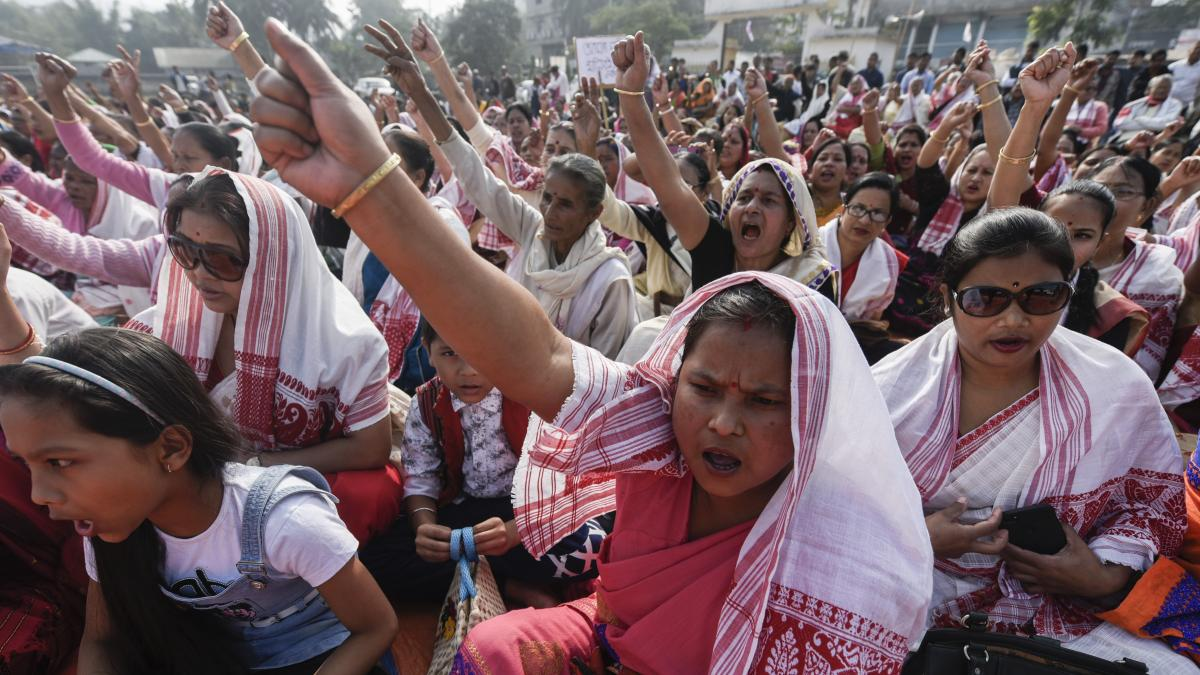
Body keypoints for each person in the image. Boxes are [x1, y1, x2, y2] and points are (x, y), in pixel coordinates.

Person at [249, 24, 934, 672]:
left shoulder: (840, 552)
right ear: (673, 378)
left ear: (811, 414)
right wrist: (368, 183)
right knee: (494, 650)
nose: (723, 423)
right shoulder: (657, 429)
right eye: (705, 389)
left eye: (763, 401)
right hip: (609, 636)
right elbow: (540, 355)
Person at [873, 208, 1188, 670]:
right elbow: (830, 517)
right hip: (909, 587)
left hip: (1062, 602)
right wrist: (916, 541)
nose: (1014, 320)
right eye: (986, 299)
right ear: (948, 298)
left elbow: (1152, 502)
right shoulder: (889, 391)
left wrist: (1097, 575)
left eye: (1042, 297)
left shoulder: (1115, 384)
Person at [0, 328, 399, 674]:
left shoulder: (285, 520)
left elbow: (375, 627)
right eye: (27, 464)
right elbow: (102, 641)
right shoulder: (109, 525)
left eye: (61, 462)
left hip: (318, 656)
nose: (38, 494)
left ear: (170, 448)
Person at [126, 169, 401, 545]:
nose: (200, 274)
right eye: (186, 251)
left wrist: (256, 469)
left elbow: (371, 448)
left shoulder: (345, 342)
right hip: (197, 481)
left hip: (292, 486)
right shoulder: (164, 329)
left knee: (369, 492)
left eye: (221, 260)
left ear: (273, 258)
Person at [371, 21, 637, 358]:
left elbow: (608, 378)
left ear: (595, 212)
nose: (551, 212)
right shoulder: (533, 230)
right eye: (548, 198)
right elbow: (472, 172)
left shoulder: (609, 280)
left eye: (566, 204)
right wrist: (419, 90)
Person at [359, 318, 611, 602]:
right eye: (449, 353)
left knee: (590, 547)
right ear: (427, 350)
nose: (469, 371)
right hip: (468, 512)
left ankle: (483, 571)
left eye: (482, 353)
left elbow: (565, 487)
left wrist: (512, 534)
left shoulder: (532, 395)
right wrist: (426, 529)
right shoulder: (426, 404)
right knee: (374, 562)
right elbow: (421, 481)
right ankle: (508, 582)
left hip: (531, 513)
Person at [608, 34, 835, 297]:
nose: (751, 207)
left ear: (790, 223)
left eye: (769, 200)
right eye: (744, 197)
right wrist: (631, 94)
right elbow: (667, 180)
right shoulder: (715, 247)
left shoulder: (810, 280)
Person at [0, 144, 158, 321]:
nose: (74, 186)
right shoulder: (62, 200)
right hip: (78, 293)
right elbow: (28, 181)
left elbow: (147, 280)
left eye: (85, 181)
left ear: (106, 185)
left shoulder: (140, 223)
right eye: (69, 178)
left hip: (126, 306)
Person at [1113, 75, 1185, 143]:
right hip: (1125, 139)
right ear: (1149, 89)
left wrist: (1139, 119)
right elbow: (1119, 123)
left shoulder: (1175, 104)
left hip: (1154, 140)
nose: (1162, 91)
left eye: (1166, 88)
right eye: (1159, 87)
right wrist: (1151, 125)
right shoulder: (1132, 105)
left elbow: (1164, 124)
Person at [1063, 77, 1109, 144]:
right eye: (1088, 88)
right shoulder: (1066, 105)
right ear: (1077, 89)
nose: (1091, 92)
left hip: (1086, 144)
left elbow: (1102, 129)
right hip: (1062, 140)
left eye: (1094, 89)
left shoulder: (1100, 106)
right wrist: (1067, 128)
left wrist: (1080, 131)